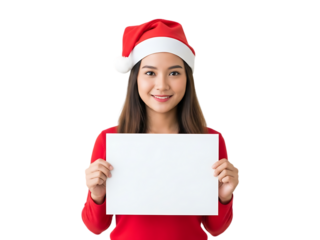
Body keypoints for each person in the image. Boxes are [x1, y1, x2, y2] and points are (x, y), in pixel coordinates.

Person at [79, 18, 241, 239]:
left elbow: (216, 229)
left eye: (174, 73)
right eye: (150, 73)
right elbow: (96, 228)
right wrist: (96, 194)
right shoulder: (108, 139)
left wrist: (224, 195)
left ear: (187, 79)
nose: (162, 85)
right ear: (135, 79)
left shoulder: (212, 140)